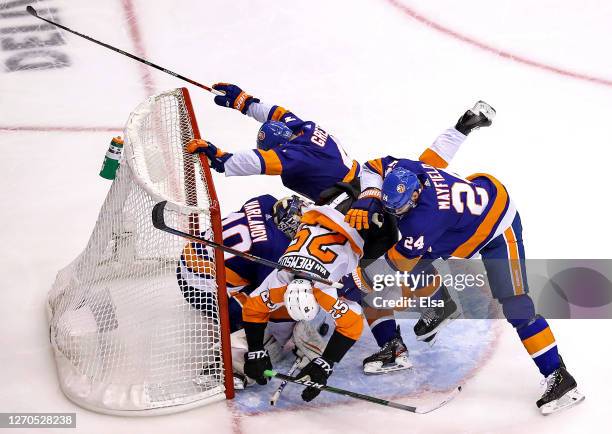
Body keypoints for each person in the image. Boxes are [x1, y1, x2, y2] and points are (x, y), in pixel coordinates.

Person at [341, 155, 585, 414]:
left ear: (414, 196)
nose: (394, 214)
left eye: (398, 209)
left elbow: (396, 262)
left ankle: (560, 377)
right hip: (463, 218)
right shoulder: (406, 171)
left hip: (498, 225)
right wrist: (369, 194)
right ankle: (441, 305)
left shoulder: (424, 219)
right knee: (415, 258)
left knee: (517, 305)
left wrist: (359, 281)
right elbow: (373, 165)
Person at [176, 194, 325, 388]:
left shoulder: (265, 201)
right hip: (201, 287)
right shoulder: (275, 250)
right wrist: (295, 324)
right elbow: (272, 305)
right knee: (270, 320)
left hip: (190, 257)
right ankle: (227, 366)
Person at [185, 83, 359, 203]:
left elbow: (260, 161)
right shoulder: (304, 129)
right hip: (363, 183)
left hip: (351, 199)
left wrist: (224, 160)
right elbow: (278, 114)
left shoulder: (297, 157)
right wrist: (245, 103)